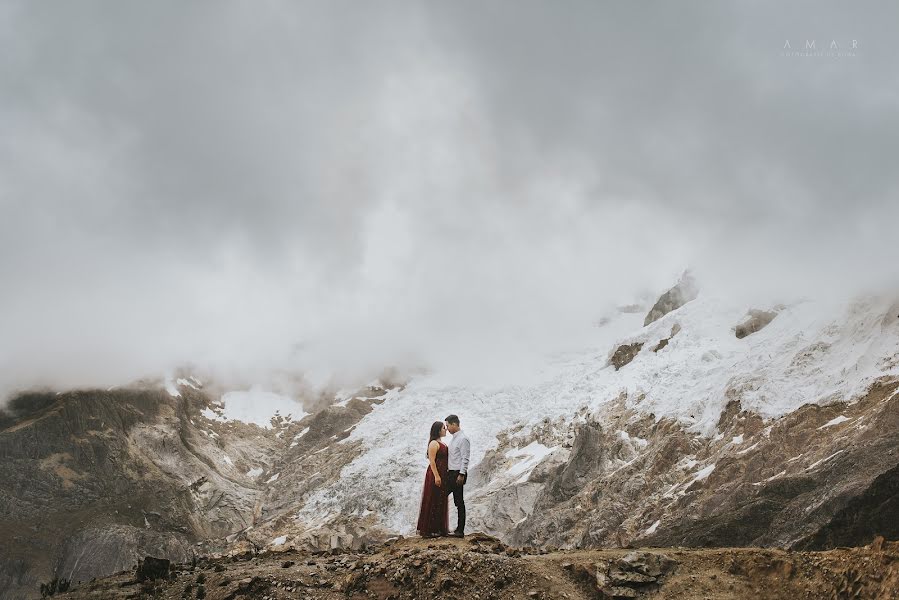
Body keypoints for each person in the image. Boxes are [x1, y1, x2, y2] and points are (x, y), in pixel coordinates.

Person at [416, 421, 449, 537]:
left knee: (439, 499)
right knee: (433, 498)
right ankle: (429, 530)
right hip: (435, 474)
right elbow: (432, 461)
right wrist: (436, 476)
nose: (445, 430)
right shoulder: (434, 443)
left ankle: (438, 528)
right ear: (438, 430)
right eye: (443, 428)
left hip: (442, 474)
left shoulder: (441, 442)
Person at [445, 414, 470, 537]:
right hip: (452, 473)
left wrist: (461, 474)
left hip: (457, 473)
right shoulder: (455, 438)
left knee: (459, 501)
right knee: (456, 500)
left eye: (448, 425)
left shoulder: (463, 439)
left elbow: (465, 458)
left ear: (454, 424)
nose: (447, 428)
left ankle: (460, 531)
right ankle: (457, 530)